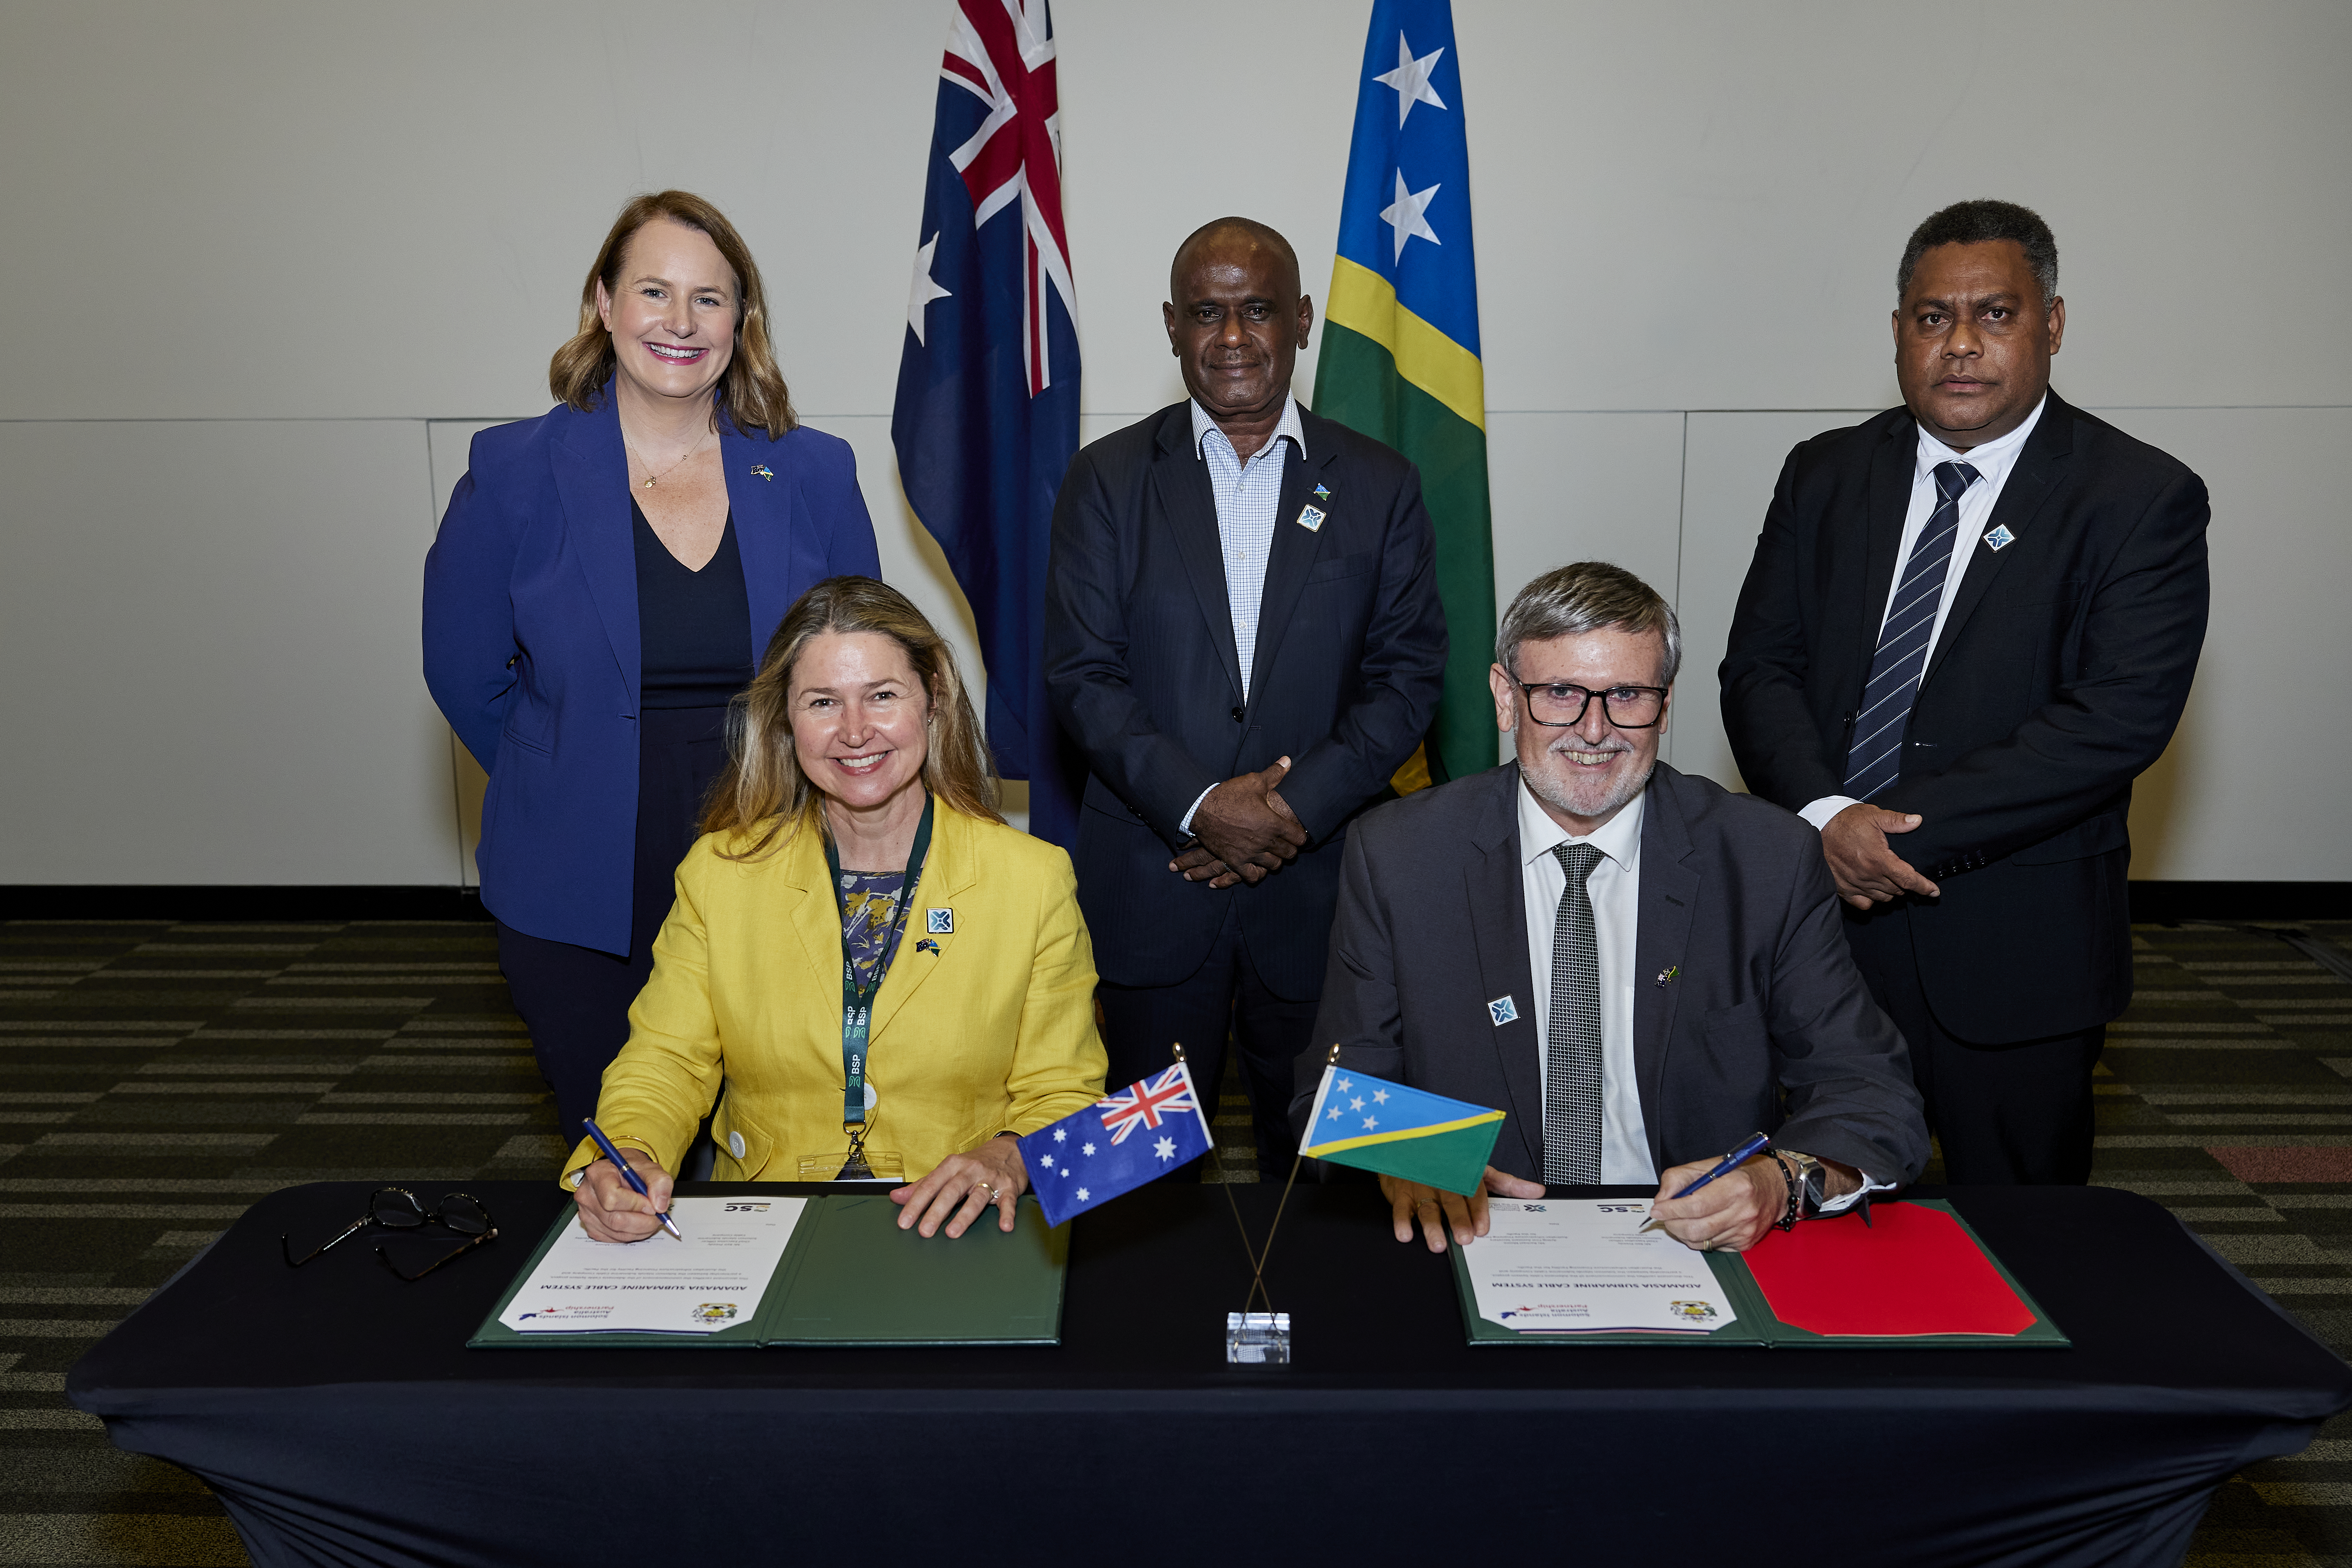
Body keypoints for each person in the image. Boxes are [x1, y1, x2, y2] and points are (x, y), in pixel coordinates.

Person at [1719, 200, 2210, 1185]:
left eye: (1994, 314)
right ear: (1898, 330)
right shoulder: (1823, 473)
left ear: (2052, 325)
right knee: (1801, 1210)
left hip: (2009, 952)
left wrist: (1881, 833)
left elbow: (2112, 721)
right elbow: (1759, 668)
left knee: (2027, 1254)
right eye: (1931, 318)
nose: (1960, 346)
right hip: (1816, 924)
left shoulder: (2135, 498)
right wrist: (1824, 816)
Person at [424, 191, 880, 1148]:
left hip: (775, 849)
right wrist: (566, 772)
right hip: (579, 869)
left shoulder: (811, 471)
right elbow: (467, 673)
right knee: (620, 1154)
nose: (681, 323)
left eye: (709, 299)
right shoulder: (512, 472)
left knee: (776, 1142)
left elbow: (857, 669)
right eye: (654, 292)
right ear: (602, 301)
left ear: (741, 321)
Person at [1297, 563, 1928, 1254]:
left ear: (1665, 704)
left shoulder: (1764, 858)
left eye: (1626, 695)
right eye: (1561, 693)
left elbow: (1871, 1093)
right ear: (1505, 699)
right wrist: (1413, 1160)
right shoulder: (1401, 854)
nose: (1594, 730)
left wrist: (1779, 1181)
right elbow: (1338, 1086)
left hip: (1697, 1245)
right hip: (1476, 1236)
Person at [1044, 217, 1447, 1175]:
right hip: (1152, 888)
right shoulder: (1102, 481)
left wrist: (1286, 814)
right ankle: (1141, 1335)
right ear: (1172, 328)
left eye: (1257, 309)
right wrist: (1202, 807)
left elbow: (1407, 680)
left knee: (1343, 1173)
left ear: (1301, 320)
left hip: (1324, 899)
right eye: (1206, 313)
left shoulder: (1381, 485)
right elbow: (1080, 675)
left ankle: (1342, 1332)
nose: (1231, 337)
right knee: (1134, 1185)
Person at [566, 577, 1108, 1243]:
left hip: (954, 1224)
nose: (855, 732)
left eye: (882, 695)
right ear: (785, 721)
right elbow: (666, 1060)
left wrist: (1011, 1153)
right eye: (823, 702)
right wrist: (630, 1150)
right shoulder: (720, 873)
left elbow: (1064, 1091)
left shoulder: (1031, 879)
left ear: (932, 701)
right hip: (767, 1222)